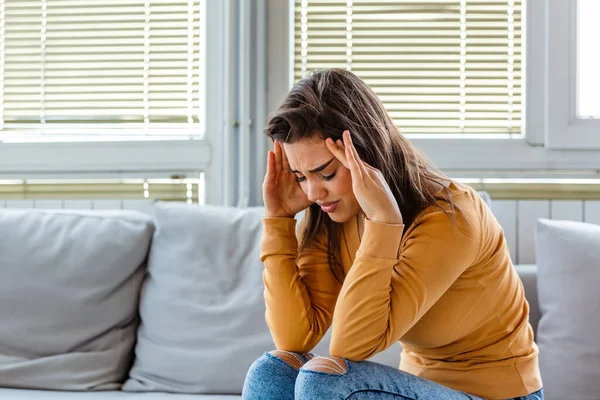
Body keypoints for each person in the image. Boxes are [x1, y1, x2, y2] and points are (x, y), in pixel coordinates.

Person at [241, 68, 543, 400]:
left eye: (325, 173)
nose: (313, 193)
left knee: (325, 383)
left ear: (366, 155)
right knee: (272, 374)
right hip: (416, 388)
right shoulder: (335, 216)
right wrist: (279, 221)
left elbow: (349, 347)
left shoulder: (451, 217)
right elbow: (293, 337)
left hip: (501, 396)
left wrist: (384, 222)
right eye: (300, 177)